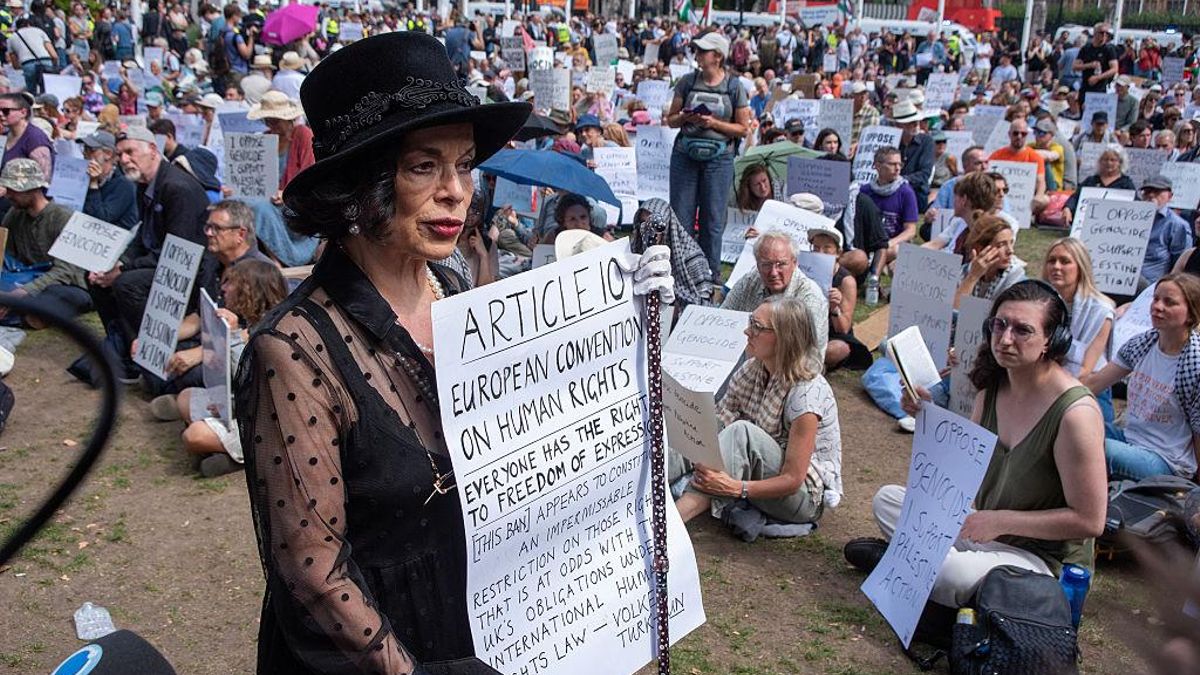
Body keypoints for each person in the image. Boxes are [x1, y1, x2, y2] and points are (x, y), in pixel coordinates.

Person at [234, 33, 672, 674]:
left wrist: (628, 310)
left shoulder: (456, 283)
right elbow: (313, 573)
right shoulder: (293, 354)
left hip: (480, 618)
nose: (455, 191)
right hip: (374, 648)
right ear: (363, 183)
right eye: (423, 166)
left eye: (464, 164)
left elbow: (533, 413)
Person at [846, 280, 1107, 608]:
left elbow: (1090, 520)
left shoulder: (1075, 415)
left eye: (1023, 330)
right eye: (1000, 324)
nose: (1006, 338)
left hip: (1040, 559)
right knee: (888, 501)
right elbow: (963, 471)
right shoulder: (992, 390)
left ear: (1051, 341)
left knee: (953, 573)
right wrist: (928, 416)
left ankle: (912, 562)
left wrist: (1001, 521)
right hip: (982, 531)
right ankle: (923, 565)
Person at [675, 296, 842, 530]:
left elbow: (792, 480)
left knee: (741, 433)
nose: (747, 331)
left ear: (785, 339)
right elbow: (717, 422)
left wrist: (736, 488)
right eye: (751, 322)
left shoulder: (806, 393)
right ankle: (636, 494)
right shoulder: (753, 368)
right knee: (695, 426)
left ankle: (668, 526)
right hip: (759, 475)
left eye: (757, 327)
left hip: (803, 497)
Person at [89, 126, 212, 382]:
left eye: (130, 152)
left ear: (153, 150)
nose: (124, 159)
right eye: (120, 154)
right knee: (95, 276)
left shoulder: (177, 187)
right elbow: (144, 236)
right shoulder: (143, 183)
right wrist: (117, 263)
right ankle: (124, 346)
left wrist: (123, 270)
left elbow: (179, 253)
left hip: (190, 272)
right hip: (162, 260)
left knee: (126, 284)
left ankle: (147, 353)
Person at [171, 259, 287, 477]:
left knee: (193, 435)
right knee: (186, 398)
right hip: (245, 404)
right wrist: (227, 402)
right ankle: (225, 452)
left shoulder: (273, 332)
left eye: (231, 283)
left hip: (268, 424)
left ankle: (244, 456)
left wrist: (232, 336)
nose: (223, 289)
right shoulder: (253, 324)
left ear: (249, 290)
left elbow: (248, 379)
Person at [1083, 273, 1200, 482]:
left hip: (1166, 461)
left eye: (1169, 302)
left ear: (1191, 315)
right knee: (1072, 429)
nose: (1157, 306)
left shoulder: (1195, 364)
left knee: (1089, 447)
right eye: (1155, 299)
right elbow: (1093, 384)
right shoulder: (1143, 343)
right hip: (1129, 438)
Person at [666, 29, 750, 281]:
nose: (698, 55)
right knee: (681, 218)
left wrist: (712, 123)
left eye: (703, 51)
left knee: (713, 220)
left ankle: (710, 275)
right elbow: (670, 120)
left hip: (719, 158)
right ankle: (681, 273)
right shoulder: (687, 82)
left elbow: (743, 128)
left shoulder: (734, 87)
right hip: (685, 155)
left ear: (717, 56)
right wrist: (685, 117)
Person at [0, 158, 88, 324]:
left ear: (33, 189)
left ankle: (28, 315)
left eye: (14, 190)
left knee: (51, 300)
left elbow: (65, 271)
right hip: (24, 277)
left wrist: (25, 291)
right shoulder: (15, 214)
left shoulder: (62, 217)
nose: (9, 195)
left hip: (62, 285)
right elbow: (6, 255)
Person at [722, 230, 828, 367]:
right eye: (766, 264)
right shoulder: (750, 280)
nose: (773, 272)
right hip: (750, 361)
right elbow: (724, 317)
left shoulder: (810, 297)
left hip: (792, 368)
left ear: (794, 263)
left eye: (781, 264)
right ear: (757, 264)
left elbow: (802, 353)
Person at [1042, 237, 1115, 422]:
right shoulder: (1036, 301)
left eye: (1065, 261)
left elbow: (1085, 369)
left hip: (1088, 385)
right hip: (1040, 378)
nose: (1056, 266)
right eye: (1052, 260)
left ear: (1080, 266)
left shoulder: (1101, 310)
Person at [809, 227, 870, 371]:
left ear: (838, 253)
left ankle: (814, 364)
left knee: (839, 349)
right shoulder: (804, 269)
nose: (820, 253)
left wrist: (835, 308)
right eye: (816, 248)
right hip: (804, 329)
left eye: (827, 248)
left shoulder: (846, 281)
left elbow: (843, 328)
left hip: (831, 335)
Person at [859, 146, 918, 266]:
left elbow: (911, 230)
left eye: (899, 164)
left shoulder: (906, 192)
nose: (897, 168)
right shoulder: (864, 191)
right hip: (868, 242)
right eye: (892, 164)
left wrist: (890, 243)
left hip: (892, 243)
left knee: (894, 251)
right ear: (878, 166)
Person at [954, 213, 1025, 308]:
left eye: (1011, 243)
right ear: (980, 249)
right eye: (1001, 245)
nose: (1010, 251)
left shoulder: (1016, 279)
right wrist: (972, 277)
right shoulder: (964, 272)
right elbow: (953, 313)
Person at [1138, 175, 1193, 292]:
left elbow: (1180, 266)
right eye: (1147, 191)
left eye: (1157, 191)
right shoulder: (1130, 219)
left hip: (1151, 288)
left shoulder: (1177, 225)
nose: (1151, 195)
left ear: (1170, 196)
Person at [987, 117, 1048, 222]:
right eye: (1016, 133)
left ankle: (1027, 216)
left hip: (1026, 199)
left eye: (1023, 134)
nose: (1019, 137)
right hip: (999, 195)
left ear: (1027, 135)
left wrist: (1038, 196)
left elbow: (1041, 181)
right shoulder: (997, 155)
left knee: (1045, 200)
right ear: (1009, 134)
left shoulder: (1035, 156)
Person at [1061, 145, 1135, 227]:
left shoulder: (1126, 183)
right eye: (1105, 159)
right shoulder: (1091, 181)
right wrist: (1067, 208)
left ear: (1120, 163)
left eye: (1113, 160)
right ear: (1100, 161)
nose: (1109, 163)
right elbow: (1075, 197)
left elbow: (1135, 205)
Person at [78, 130, 137, 231]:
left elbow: (99, 222)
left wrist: (93, 185)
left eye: (91, 150)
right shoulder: (86, 176)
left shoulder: (124, 184)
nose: (84, 154)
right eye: (84, 149)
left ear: (108, 154)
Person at [0, 91, 53, 180]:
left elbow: (43, 179)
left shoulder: (35, 139)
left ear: (23, 113)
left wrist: (8, 189)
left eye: (6, 111)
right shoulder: (5, 135)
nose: (0, 114)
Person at [892, 100, 933, 206]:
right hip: (889, 191)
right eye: (911, 122)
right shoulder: (891, 141)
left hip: (916, 193)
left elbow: (924, 173)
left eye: (917, 121)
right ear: (898, 125)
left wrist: (900, 181)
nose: (916, 124)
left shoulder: (926, 141)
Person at [1076, 23, 1119, 95]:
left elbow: (1114, 69)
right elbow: (1075, 66)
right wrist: (1089, 65)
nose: (1104, 35)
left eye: (1106, 33)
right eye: (1102, 32)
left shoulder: (1109, 49)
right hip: (1085, 86)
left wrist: (1098, 78)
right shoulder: (1086, 48)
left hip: (1100, 88)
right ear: (1095, 33)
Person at [849, 81, 879, 145]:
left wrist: (856, 145)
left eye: (864, 93)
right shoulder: (846, 111)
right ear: (852, 96)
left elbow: (870, 135)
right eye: (859, 94)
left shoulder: (872, 112)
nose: (863, 96)